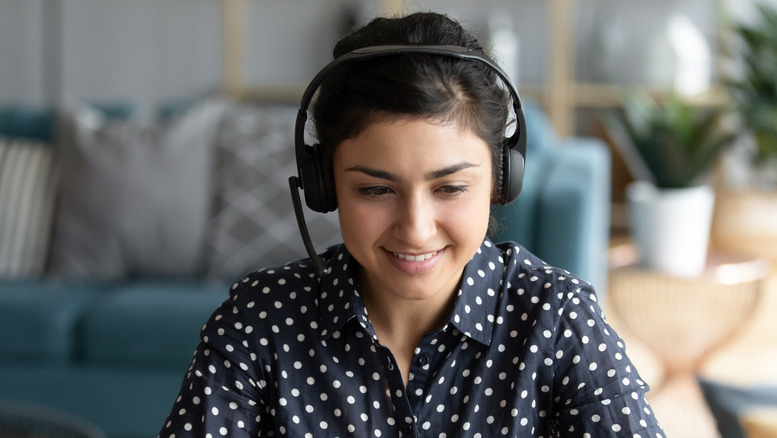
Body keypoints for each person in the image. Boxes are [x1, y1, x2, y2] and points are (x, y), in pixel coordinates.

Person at [159, 12, 666, 437]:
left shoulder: (557, 321)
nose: (416, 229)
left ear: (501, 180)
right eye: (376, 190)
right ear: (324, 186)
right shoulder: (259, 323)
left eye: (449, 188)